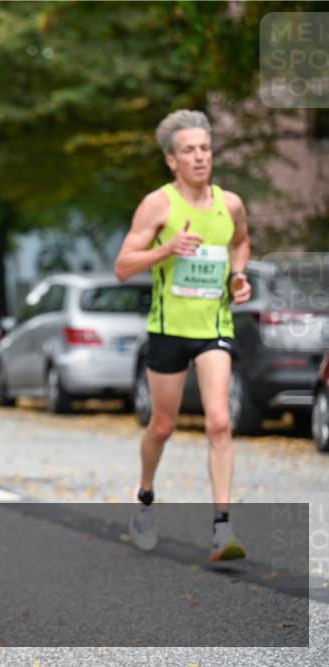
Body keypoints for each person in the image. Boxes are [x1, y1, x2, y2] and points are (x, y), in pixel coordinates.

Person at [114, 109, 251, 562]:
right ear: (172, 160)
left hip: (214, 327)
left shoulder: (230, 204)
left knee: (220, 421)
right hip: (168, 330)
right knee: (163, 426)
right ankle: (145, 498)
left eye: (205, 149)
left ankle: (222, 528)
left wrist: (238, 276)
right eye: (189, 150)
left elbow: (240, 242)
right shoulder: (159, 205)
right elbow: (123, 266)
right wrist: (168, 249)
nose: (199, 157)